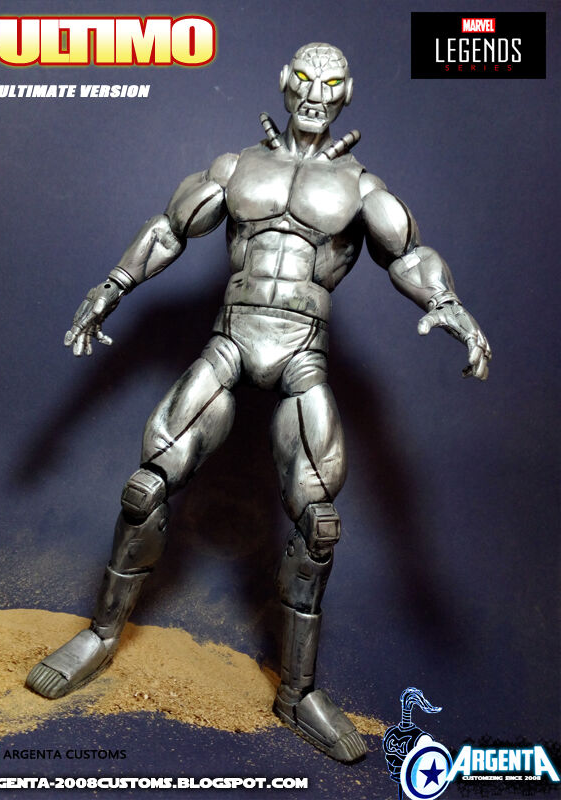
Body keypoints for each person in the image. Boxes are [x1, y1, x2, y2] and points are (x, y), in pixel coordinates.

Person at [27, 43, 491, 763]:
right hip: (231, 340)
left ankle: (297, 692)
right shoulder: (237, 167)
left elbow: (408, 254)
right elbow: (168, 230)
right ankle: (101, 634)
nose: (314, 93)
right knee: (146, 486)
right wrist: (110, 288)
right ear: (283, 83)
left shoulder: (361, 187)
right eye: (303, 79)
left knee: (318, 522)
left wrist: (449, 305)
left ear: (346, 94)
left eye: (329, 83)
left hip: (302, 351)